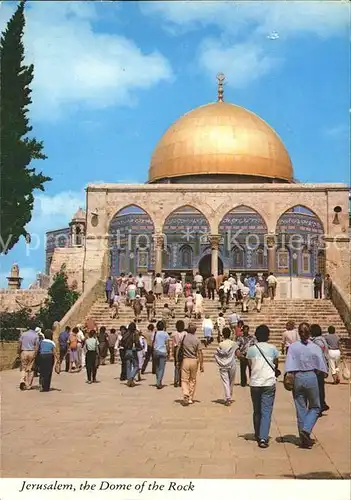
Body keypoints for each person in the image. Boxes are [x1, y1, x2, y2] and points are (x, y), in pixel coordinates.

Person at [285, 322, 328, 448]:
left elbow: (289, 364)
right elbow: (321, 367)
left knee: (300, 407)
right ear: (309, 333)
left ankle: (303, 438)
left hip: (297, 377)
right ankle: (306, 430)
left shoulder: (293, 347)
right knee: (315, 406)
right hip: (311, 376)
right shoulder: (315, 347)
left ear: (299, 332)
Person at [246, 325, 279, 448]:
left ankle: (257, 433)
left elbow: (250, 365)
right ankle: (263, 438)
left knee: (257, 410)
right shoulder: (273, 348)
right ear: (268, 335)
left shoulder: (251, 349)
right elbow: (275, 362)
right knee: (266, 411)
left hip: (255, 382)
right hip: (269, 382)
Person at [177, 324, 204, 406]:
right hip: (194, 361)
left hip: (185, 360)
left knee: (184, 379)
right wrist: (201, 364)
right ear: (195, 331)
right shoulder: (197, 340)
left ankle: (186, 393)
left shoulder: (184, 338)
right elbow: (200, 353)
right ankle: (190, 398)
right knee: (193, 379)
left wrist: (177, 359)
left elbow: (178, 348)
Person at [214, 327, 239, 406]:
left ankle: (228, 397)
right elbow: (238, 353)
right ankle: (229, 396)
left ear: (223, 335)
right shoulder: (234, 343)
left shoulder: (221, 344)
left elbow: (220, 353)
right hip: (232, 364)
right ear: (230, 334)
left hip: (223, 365)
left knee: (226, 382)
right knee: (231, 381)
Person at [310, 323, 329, 415]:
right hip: (321, 367)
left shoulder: (317, 341)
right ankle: (322, 404)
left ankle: (320, 406)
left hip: (318, 368)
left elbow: (317, 355)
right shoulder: (322, 340)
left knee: (317, 388)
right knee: (320, 387)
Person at [18, 322, 39, 391]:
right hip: (32, 352)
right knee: (30, 369)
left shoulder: (23, 334)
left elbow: (19, 344)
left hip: (24, 351)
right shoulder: (36, 335)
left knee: (23, 368)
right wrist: (35, 354)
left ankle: (22, 380)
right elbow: (37, 346)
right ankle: (29, 385)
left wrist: (19, 352)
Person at [120, 322, 142, 387]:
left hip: (126, 351)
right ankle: (131, 377)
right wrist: (139, 348)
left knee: (128, 366)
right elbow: (137, 343)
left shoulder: (125, 334)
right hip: (133, 351)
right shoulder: (135, 335)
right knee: (136, 366)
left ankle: (129, 380)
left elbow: (121, 342)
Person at [152, 321, 170, 389]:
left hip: (156, 351)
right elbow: (167, 344)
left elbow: (152, 342)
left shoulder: (155, 333)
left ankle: (158, 380)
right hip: (163, 351)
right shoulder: (165, 334)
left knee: (157, 367)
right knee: (161, 368)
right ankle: (159, 381)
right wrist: (168, 352)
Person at [171, 320, 186, 387]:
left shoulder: (174, 333)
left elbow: (173, 344)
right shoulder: (185, 334)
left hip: (176, 349)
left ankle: (175, 380)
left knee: (176, 366)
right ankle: (181, 381)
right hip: (183, 350)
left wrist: (172, 352)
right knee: (182, 366)